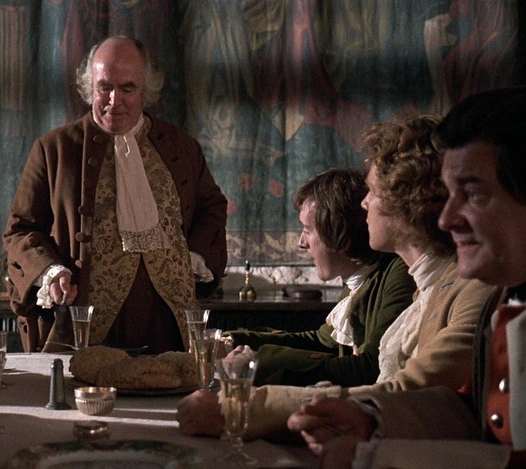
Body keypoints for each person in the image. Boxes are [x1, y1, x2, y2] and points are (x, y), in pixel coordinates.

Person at [177, 113, 494, 440]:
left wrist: (243, 405)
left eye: (373, 191)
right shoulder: (426, 287)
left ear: (407, 201)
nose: (364, 203)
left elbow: (405, 391)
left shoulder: (468, 289)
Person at [287, 88, 526, 468]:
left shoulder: (475, 292)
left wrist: (376, 455)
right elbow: (472, 411)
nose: (447, 219)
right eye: (449, 194)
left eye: (475, 195)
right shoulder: (504, 298)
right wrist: (372, 418)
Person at [3, 35, 228, 353]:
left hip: (168, 324)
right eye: (104, 87)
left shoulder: (181, 146)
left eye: (127, 89)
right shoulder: (54, 150)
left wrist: (193, 256)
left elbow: (212, 207)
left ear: (145, 90)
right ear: (90, 87)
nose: (114, 100)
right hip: (86, 324)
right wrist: (51, 272)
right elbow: (20, 230)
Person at [224, 169, 415, 387]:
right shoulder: (356, 278)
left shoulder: (399, 273)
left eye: (307, 230)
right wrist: (232, 340)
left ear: (340, 236)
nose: (301, 243)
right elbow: (322, 342)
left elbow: (371, 368)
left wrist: (257, 364)